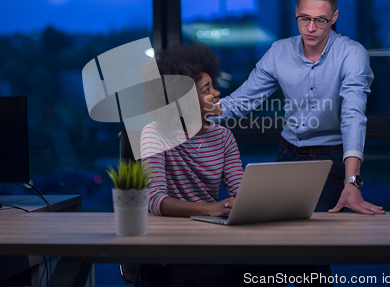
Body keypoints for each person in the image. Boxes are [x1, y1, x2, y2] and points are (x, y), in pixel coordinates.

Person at [126, 43, 322, 287]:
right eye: (206, 90)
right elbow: (156, 200)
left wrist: (264, 203)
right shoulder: (154, 133)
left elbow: (240, 191)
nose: (217, 93)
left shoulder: (223, 136)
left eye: (213, 86)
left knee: (306, 267)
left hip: (212, 237)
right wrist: (209, 209)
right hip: (173, 244)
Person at [212, 0, 385, 217]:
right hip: (288, 156)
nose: (310, 27)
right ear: (295, 12)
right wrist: (183, 115)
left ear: (334, 17)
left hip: (330, 160)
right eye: (304, 18)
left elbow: (353, 116)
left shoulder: (352, 54)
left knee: (323, 238)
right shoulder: (278, 52)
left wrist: (352, 181)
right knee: (280, 230)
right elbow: (239, 102)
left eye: (320, 20)